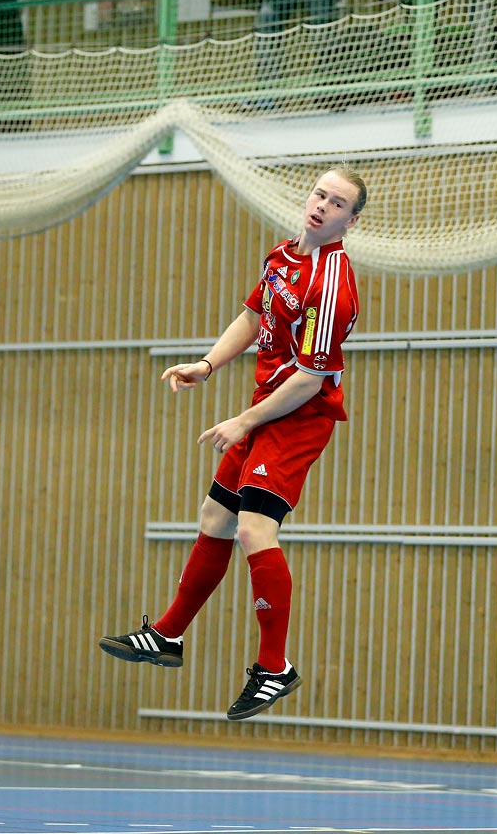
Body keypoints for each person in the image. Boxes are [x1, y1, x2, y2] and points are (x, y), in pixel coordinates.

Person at [99, 168, 366, 722]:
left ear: (351, 220)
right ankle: (169, 635)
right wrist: (207, 364)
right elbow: (253, 316)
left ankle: (275, 667)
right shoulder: (282, 256)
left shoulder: (332, 283)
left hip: (298, 415)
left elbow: (311, 379)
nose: (322, 206)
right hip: (265, 405)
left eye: (337, 203)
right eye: (319, 193)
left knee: (252, 527)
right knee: (214, 516)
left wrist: (244, 422)